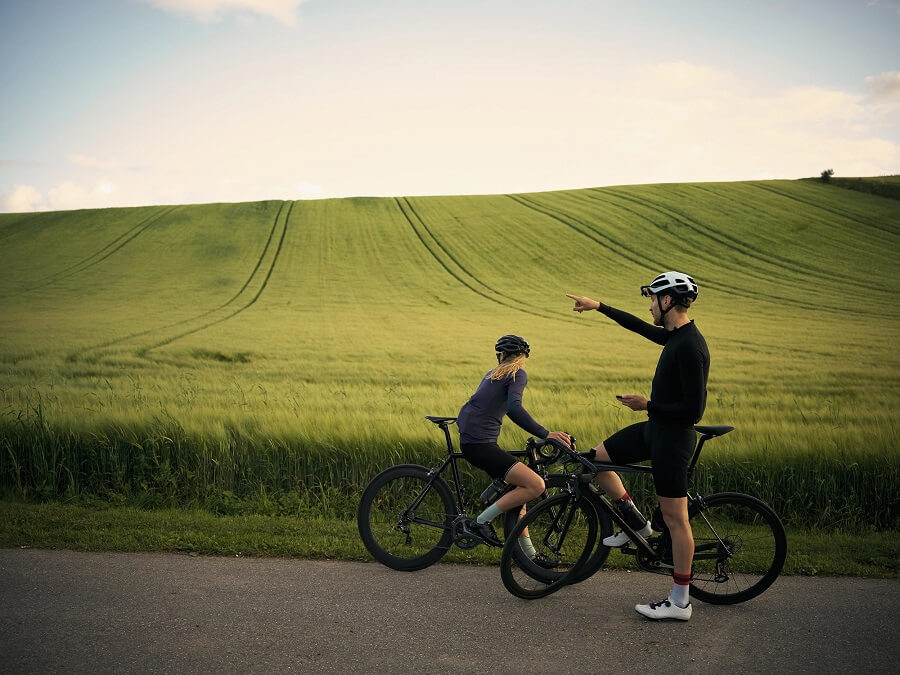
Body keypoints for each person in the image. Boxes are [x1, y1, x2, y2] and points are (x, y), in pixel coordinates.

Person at [566, 271, 709, 621]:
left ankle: (680, 602)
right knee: (594, 460)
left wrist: (648, 405)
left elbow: (694, 410)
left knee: (677, 520)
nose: (648, 307)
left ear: (667, 301)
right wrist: (598, 306)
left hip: (673, 439)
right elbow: (636, 326)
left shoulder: (690, 345)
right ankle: (638, 525)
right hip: (654, 430)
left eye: (652, 300)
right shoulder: (674, 337)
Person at [457, 334, 572, 563]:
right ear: (523, 357)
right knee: (536, 484)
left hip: (473, 442)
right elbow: (514, 408)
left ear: (501, 355)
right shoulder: (517, 373)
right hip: (481, 444)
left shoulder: (492, 374)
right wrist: (546, 434)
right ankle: (480, 522)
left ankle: (530, 557)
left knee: (519, 493)